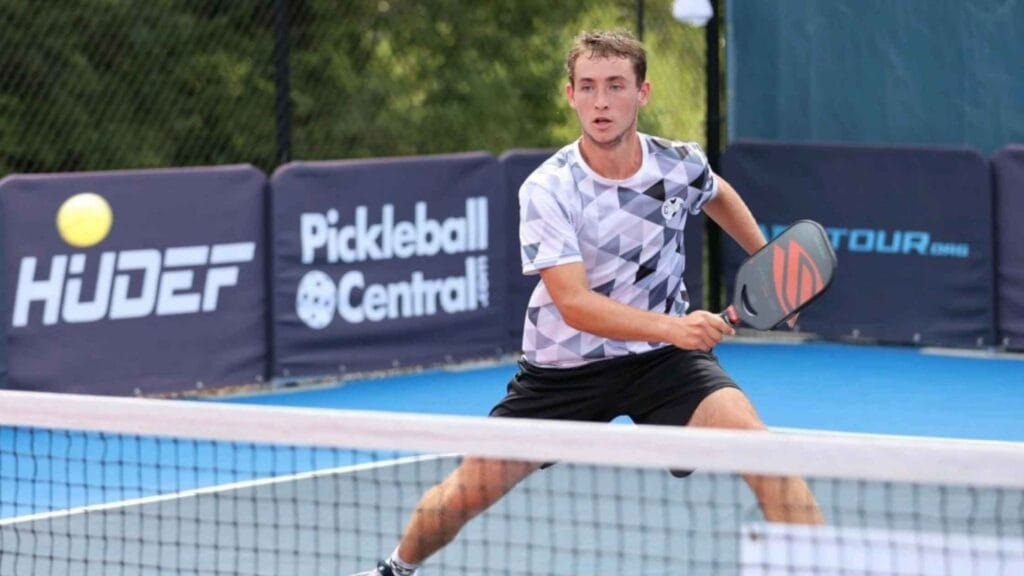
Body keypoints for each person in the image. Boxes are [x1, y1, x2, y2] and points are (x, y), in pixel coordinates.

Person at [354, 28, 823, 576]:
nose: (601, 102)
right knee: (468, 492)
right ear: (570, 94)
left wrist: (768, 263)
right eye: (589, 86)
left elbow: (716, 193)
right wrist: (678, 328)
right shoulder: (549, 189)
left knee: (767, 459)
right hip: (565, 370)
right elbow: (574, 304)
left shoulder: (678, 164)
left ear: (642, 93)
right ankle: (395, 569)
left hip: (664, 364)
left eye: (616, 86)